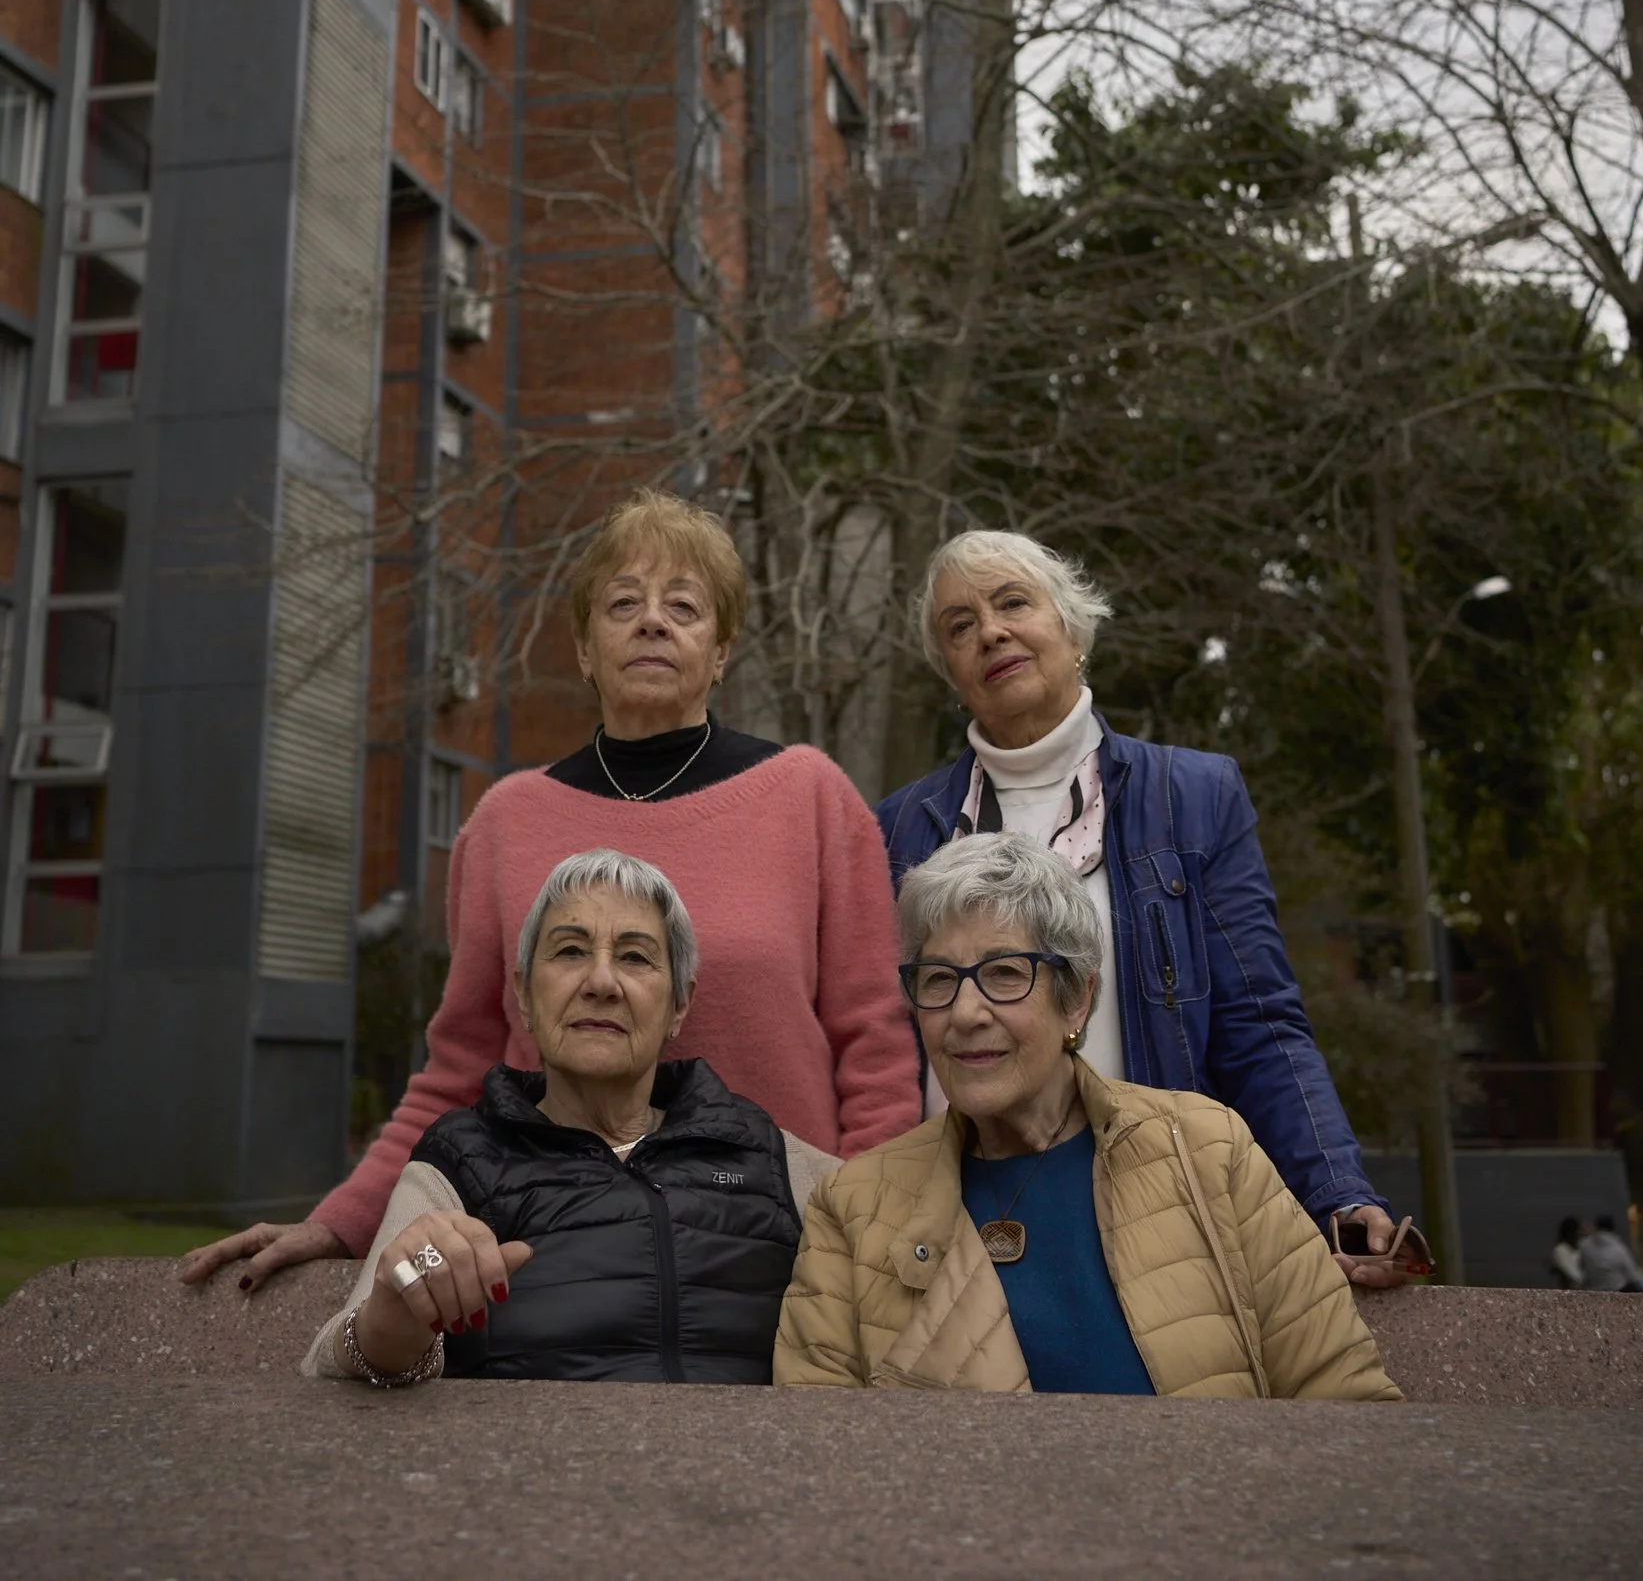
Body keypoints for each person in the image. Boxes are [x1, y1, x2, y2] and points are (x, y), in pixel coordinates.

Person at [185, 489, 918, 1294]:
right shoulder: (507, 822)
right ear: (581, 647)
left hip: (778, 1249)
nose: (652, 621)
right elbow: (459, 1065)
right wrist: (343, 1221)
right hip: (556, 1252)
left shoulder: (808, 798)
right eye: (622, 604)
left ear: (720, 650)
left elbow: (874, 1049)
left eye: (684, 606)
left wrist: (874, 1221)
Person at [874, 528, 1414, 1286]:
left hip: (1156, 1218)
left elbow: (1260, 1024)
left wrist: (1335, 1191)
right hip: (956, 1226)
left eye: (1012, 603)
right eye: (958, 626)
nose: (989, 631)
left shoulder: (1192, 798)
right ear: (952, 675)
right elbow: (875, 1047)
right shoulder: (898, 829)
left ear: (1072, 629)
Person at [775, 836, 1399, 1398]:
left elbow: (1342, 1402)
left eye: (1003, 974)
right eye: (938, 980)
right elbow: (820, 1456)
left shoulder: (1210, 1151)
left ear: (1077, 998)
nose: (964, 1012)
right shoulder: (853, 1208)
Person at [306, 852, 825, 1384]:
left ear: (679, 1006)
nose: (601, 981)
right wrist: (392, 1326)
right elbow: (327, 1361)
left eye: (635, 958)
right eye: (571, 951)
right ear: (525, 995)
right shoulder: (459, 1161)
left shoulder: (767, 1154)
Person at [1578, 1214, 1643, 1293]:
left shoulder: (1585, 1246)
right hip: (1617, 1289)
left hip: (1594, 1288)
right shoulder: (1618, 1247)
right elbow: (1632, 1275)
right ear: (1613, 1228)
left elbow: (1582, 1268)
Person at [1549, 1216, 1587, 1288]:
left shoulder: (1584, 1248)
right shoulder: (1560, 1250)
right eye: (1580, 1231)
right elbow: (1573, 1275)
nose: (1582, 1234)